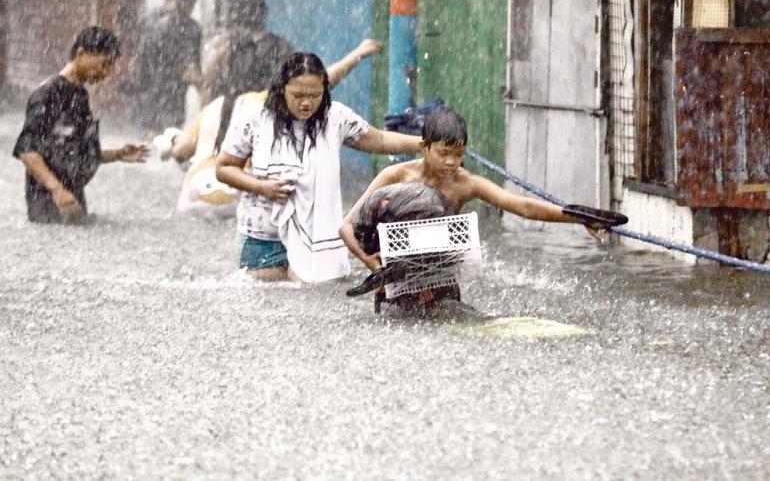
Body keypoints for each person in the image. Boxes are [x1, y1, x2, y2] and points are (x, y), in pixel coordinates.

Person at [339, 109, 615, 307]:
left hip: (440, 279)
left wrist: (579, 218)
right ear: (424, 148)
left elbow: (522, 207)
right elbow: (346, 227)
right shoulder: (395, 176)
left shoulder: (465, 184)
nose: (450, 162)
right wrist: (372, 264)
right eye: (443, 153)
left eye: (458, 155)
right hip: (395, 278)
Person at [215, 52, 422, 282]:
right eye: (298, 95)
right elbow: (224, 168)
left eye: (315, 95)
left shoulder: (335, 118)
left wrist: (426, 144)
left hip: (318, 240)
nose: (306, 103)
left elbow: (380, 140)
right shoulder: (255, 120)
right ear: (282, 88)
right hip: (263, 240)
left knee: (318, 294)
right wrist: (262, 187)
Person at [166, 37, 383, 216]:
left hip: (193, 198)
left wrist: (173, 138)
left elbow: (180, 152)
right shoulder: (266, 106)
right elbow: (325, 80)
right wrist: (357, 54)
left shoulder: (212, 108)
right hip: (236, 199)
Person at [13, 26, 149, 224]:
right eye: (105, 64)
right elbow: (28, 151)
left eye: (110, 66)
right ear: (81, 53)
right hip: (47, 204)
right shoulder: (46, 94)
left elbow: (74, 152)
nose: (106, 72)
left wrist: (118, 154)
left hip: (73, 198)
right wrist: (57, 191)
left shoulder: (80, 95)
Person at [131, 0, 203, 131]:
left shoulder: (150, 19)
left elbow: (140, 54)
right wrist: (188, 73)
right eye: (190, 3)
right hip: (164, 88)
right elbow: (190, 61)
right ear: (180, 0)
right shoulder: (184, 26)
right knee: (167, 132)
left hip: (157, 89)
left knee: (159, 132)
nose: (190, 8)